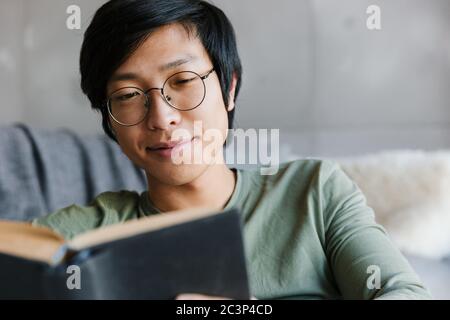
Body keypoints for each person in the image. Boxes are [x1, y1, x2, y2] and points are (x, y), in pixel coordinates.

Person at [33, 0, 431, 299]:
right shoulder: (86, 235)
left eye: (183, 80)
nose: (161, 116)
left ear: (229, 88)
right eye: (128, 94)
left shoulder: (314, 192)